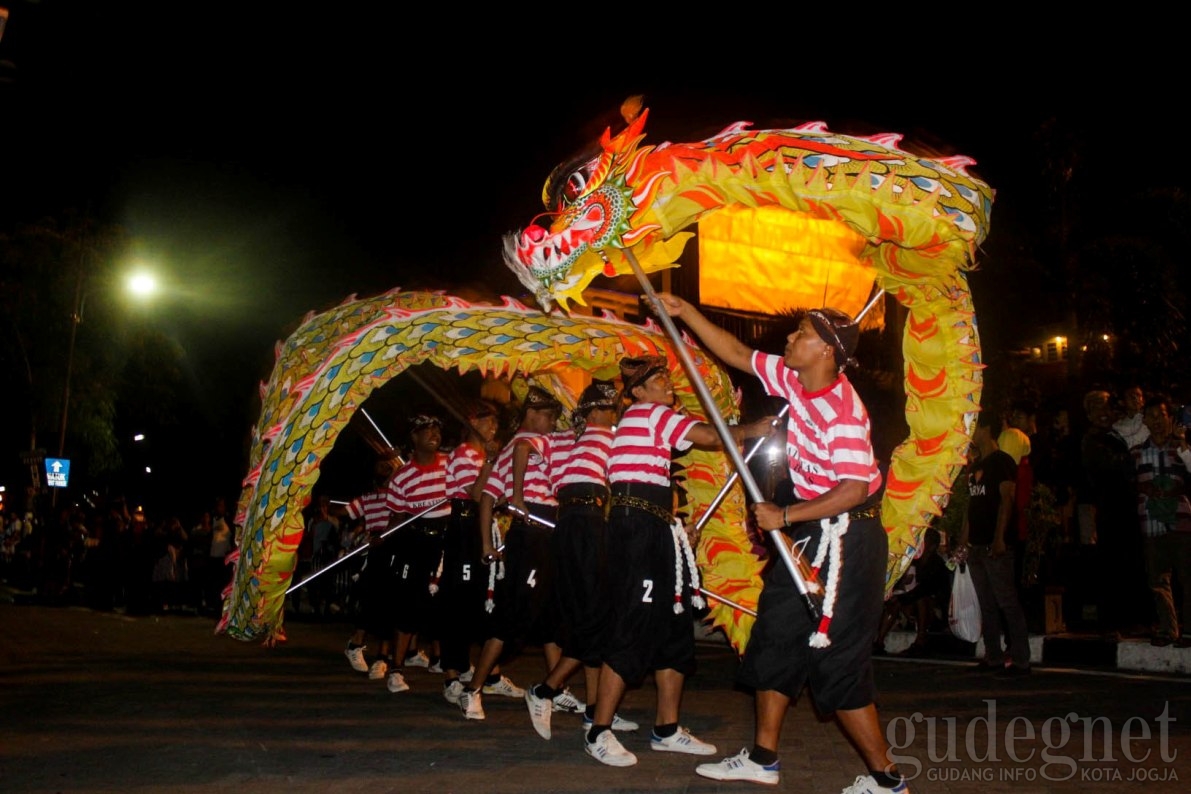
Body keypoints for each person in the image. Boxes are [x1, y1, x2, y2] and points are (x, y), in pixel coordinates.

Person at [656, 294, 907, 794]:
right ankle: (763, 758)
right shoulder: (794, 378)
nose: (789, 339)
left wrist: (784, 515)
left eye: (801, 334)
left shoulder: (843, 410)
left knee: (835, 660)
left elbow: (855, 487)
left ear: (827, 352)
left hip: (849, 538)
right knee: (774, 637)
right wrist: (684, 312)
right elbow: (734, 352)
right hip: (812, 534)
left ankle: (888, 780)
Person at [582, 353, 775, 769]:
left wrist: (671, 525)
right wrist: (752, 429)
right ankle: (598, 730)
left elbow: (660, 480)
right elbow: (707, 436)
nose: (669, 386)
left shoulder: (651, 421)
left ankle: (666, 730)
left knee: (673, 624)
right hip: (636, 528)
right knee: (633, 619)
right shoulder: (648, 413)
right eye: (659, 381)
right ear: (637, 391)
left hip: (653, 524)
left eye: (668, 380)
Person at [525, 380, 639, 740]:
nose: (615, 414)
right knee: (596, 617)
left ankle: (593, 711)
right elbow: (523, 443)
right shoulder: (565, 439)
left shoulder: (599, 436)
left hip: (586, 521)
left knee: (591, 615)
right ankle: (546, 690)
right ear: (592, 412)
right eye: (608, 409)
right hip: (578, 523)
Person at [457, 386, 560, 721]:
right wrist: (516, 495)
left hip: (548, 531)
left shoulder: (519, 446)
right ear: (531, 414)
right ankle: (472, 689)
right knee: (511, 616)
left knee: (551, 618)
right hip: (531, 534)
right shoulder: (526, 441)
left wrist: (488, 543)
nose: (552, 422)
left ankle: (555, 689)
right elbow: (488, 494)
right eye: (548, 415)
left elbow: (487, 497)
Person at [438, 399, 509, 705]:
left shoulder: (481, 455)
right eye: (488, 421)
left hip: (481, 525)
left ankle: (489, 674)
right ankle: (452, 676)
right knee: (459, 600)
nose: (494, 427)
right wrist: (491, 463)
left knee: (484, 600)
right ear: (472, 423)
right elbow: (477, 494)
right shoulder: (464, 454)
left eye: (495, 422)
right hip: (465, 526)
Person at [382, 413, 451, 693]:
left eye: (436, 428)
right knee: (410, 604)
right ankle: (396, 668)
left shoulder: (450, 465)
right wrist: (382, 537)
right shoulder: (402, 477)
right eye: (426, 430)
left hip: (447, 538)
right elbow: (397, 517)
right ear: (414, 437)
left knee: (447, 604)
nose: (434, 433)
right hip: (417, 541)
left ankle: (446, 666)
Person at [959, 410, 1031, 676]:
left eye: (974, 425)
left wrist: (1000, 537)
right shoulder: (976, 466)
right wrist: (963, 542)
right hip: (977, 545)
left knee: (1006, 601)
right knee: (985, 603)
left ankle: (1022, 659)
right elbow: (971, 507)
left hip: (994, 545)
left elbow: (1007, 500)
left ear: (986, 428)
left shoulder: (1001, 461)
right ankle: (994, 656)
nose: (970, 431)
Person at [1079, 389, 1146, 636]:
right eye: (1097, 408)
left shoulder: (1114, 434)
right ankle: (1114, 621)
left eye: (1106, 407)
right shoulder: (1093, 439)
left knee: (1130, 562)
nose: (1103, 413)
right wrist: (1133, 458)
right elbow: (1110, 467)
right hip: (1109, 508)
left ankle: (1131, 618)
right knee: (1113, 564)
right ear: (1089, 414)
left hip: (1126, 507)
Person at [1130, 396, 1191, 647]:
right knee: (1158, 581)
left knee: (1188, 578)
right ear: (1144, 420)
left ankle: (1189, 631)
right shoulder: (1135, 453)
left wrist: (1183, 445)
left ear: (1170, 417)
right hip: (1151, 524)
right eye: (1151, 416)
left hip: (1182, 523)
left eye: (1161, 415)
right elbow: (1128, 483)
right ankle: (1168, 629)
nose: (1157, 421)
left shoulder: (1181, 448)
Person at [341, 457, 399, 675]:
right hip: (377, 549)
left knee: (390, 603)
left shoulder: (397, 492)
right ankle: (356, 644)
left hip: (395, 545)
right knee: (372, 599)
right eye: (381, 465)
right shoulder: (368, 497)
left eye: (388, 465)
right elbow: (348, 512)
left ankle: (383, 657)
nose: (386, 467)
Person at [874, 527, 949, 657]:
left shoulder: (936, 564)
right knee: (895, 603)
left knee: (921, 600)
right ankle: (879, 642)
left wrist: (903, 598)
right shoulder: (914, 561)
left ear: (931, 546)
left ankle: (921, 640)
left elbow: (926, 590)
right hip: (910, 603)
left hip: (933, 610)